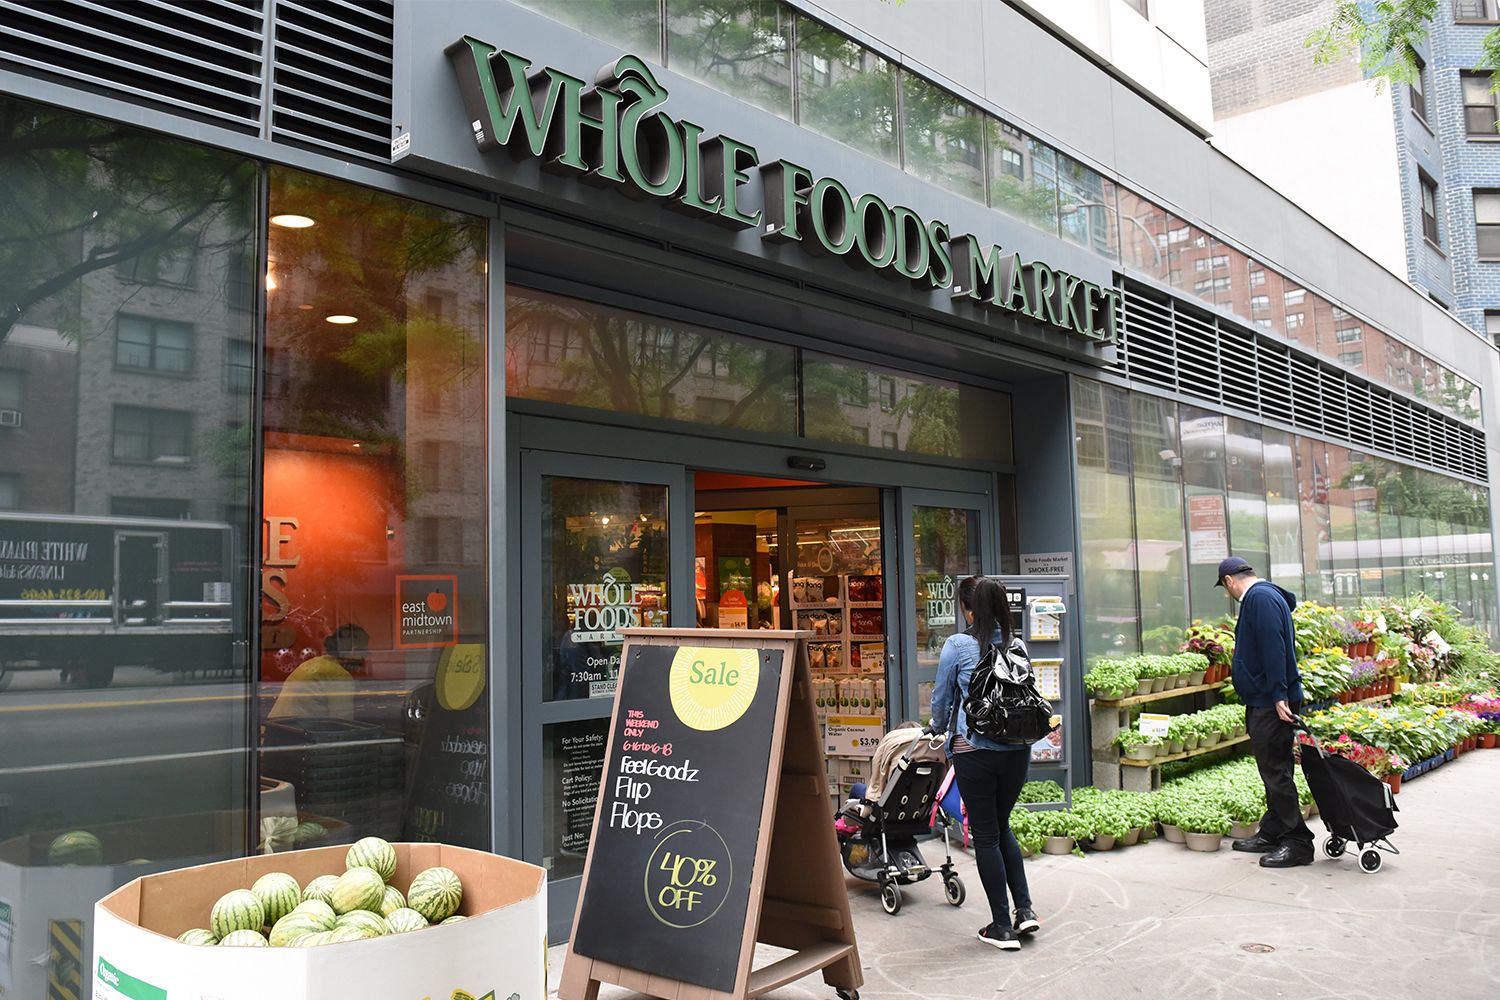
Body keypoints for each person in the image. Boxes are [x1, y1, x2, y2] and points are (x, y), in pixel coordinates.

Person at [929, 576, 1038, 951]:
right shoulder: (1017, 644)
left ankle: (1002, 927)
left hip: (974, 751)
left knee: (986, 836)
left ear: (968, 609)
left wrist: (937, 728)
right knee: (1002, 825)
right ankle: (1025, 910)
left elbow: (942, 698)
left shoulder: (958, 645)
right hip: (1017, 751)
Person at [1216, 556, 1314, 868]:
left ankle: (1297, 841)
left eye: (1225, 588)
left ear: (1229, 581)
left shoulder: (1259, 598)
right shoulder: (1266, 595)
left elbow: (1275, 647)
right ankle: (1273, 831)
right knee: (1274, 768)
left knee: (1275, 772)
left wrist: (1278, 695)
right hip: (1268, 699)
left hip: (1271, 703)